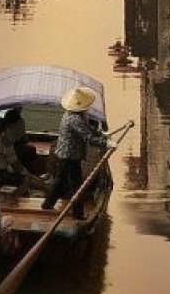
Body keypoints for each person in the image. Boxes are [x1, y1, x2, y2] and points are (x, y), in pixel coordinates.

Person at [41, 86, 115, 219]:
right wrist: (106, 143)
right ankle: (78, 214)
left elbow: (88, 129)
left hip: (67, 154)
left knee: (61, 181)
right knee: (77, 185)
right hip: (69, 155)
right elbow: (88, 138)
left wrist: (101, 134)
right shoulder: (74, 119)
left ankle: (47, 204)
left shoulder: (74, 115)